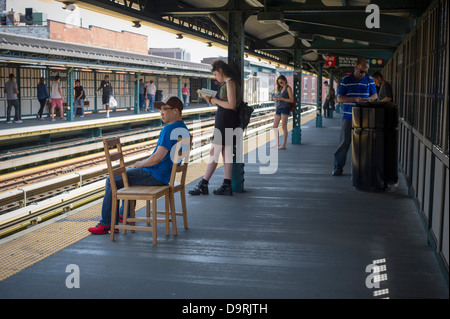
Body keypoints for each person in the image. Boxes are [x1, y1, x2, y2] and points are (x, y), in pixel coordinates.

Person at [88, 96, 189, 235]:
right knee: (129, 177)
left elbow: (157, 158)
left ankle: (107, 223)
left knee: (112, 180)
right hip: (166, 175)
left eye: (165, 109)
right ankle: (126, 216)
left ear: (176, 111)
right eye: (160, 109)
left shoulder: (168, 129)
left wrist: (141, 163)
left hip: (155, 175)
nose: (161, 112)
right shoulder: (184, 128)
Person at [189, 60, 241, 196]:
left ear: (221, 71)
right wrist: (213, 99)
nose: (215, 77)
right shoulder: (228, 83)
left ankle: (203, 184)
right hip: (228, 120)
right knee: (226, 153)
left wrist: (214, 101)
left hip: (225, 121)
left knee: (214, 152)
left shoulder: (229, 83)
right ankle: (226, 184)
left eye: (216, 74)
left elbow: (231, 105)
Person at [332, 57, 378, 176]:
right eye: (361, 71)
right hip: (348, 116)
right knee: (344, 142)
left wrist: (368, 100)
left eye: (366, 71)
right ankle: (338, 167)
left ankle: (363, 168)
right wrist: (354, 99)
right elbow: (339, 98)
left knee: (365, 143)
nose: (363, 74)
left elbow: (375, 96)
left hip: (364, 116)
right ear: (355, 67)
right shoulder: (346, 80)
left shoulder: (369, 79)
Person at [272, 75, 293, 149]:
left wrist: (281, 98)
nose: (280, 84)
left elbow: (291, 100)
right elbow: (279, 98)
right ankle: (276, 143)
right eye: (279, 83)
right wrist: (276, 98)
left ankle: (283, 145)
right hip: (278, 108)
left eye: (281, 82)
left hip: (285, 108)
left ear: (285, 80)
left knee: (284, 126)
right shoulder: (280, 88)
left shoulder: (288, 88)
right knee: (274, 126)